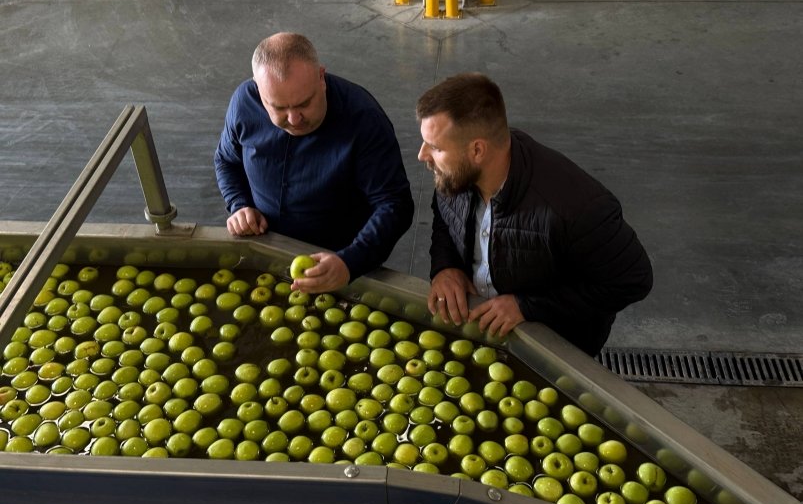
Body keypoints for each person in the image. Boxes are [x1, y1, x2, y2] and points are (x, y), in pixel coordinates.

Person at [416, 73, 653, 357]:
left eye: (436, 147)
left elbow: (632, 279)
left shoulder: (577, 206)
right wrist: (445, 266)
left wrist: (526, 306)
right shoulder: (455, 175)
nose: (422, 155)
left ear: (477, 150)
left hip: (551, 350)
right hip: (481, 334)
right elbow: (445, 218)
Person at [214, 32, 414, 293]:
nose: (294, 119)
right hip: (263, 251)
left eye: (304, 104)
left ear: (321, 77)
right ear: (258, 91)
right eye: (279, 108)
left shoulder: (363, 119)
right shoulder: (243, 102)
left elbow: (395, 204)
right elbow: (226, 160)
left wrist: (349, 262)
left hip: (336, 264)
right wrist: (238, 204)